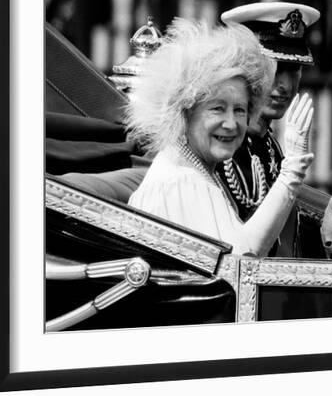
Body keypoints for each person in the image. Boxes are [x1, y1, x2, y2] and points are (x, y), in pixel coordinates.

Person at [127, 18, 314, 256]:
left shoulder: (196, 171)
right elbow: (241, 260)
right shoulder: (181, 182)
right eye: (217, 108)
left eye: (239, 110)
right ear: (186, 110)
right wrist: (292, 173)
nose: (231, 124)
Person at [217, 2, 332, 257]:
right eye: (276, 68)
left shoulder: (269, 144)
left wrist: (326, 237)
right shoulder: (221, 143)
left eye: (293, 70)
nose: (284, 84)